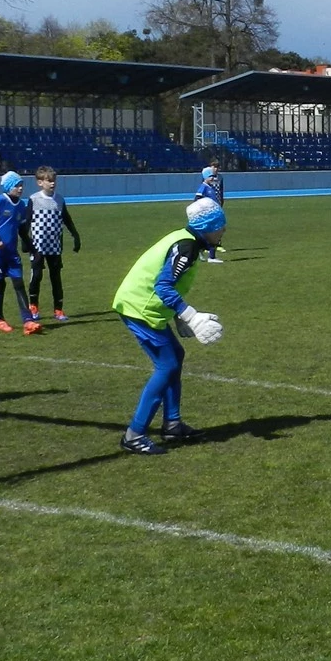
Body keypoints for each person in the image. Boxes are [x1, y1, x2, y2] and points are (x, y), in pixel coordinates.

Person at [112, 197, 227, 455]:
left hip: (142, 305)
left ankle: (172, 424)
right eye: (220, 225)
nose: (223, 230)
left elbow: (169, 284)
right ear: (208, 226)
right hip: (139, 308)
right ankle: (134, 434)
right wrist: (191, 316)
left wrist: (178, 316)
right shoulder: (187, 246)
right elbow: (163, 286)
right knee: (167, 365)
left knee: (175, 356)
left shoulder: (186, 240)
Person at [0, 171, 40, 334]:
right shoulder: (0, 201)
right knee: (0, 283)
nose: (20, 188)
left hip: (11, 252)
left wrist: (34, 250)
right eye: (17, 185)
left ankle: (28, 321)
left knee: (19, 283)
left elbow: (22, 231)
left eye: (21, 185)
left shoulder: (21, 205)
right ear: (8, 186)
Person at [25, 165, 82, 322]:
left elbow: (67, 219)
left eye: (53, 180)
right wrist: (26, 242)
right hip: (37, 246)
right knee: (36, 276)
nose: (52, 183)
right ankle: (33, 307)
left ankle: (58, 309)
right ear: (40, 182)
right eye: (48, 180)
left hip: (55, 245)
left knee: (56, 278)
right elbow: (26, 221)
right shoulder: (34, 199)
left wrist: (75, 236)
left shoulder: (60, 200)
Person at [194, 164, 225, 263]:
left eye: (213, 176)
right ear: (205, 177)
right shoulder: (203, 187)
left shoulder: (210, 187)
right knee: (212, 234)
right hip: (208, 215)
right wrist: (203, 210)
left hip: (213, 213)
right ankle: (211, 256)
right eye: (210, 176)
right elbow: (197, 199)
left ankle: (204, 252)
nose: (212, 178)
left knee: (212, 233)